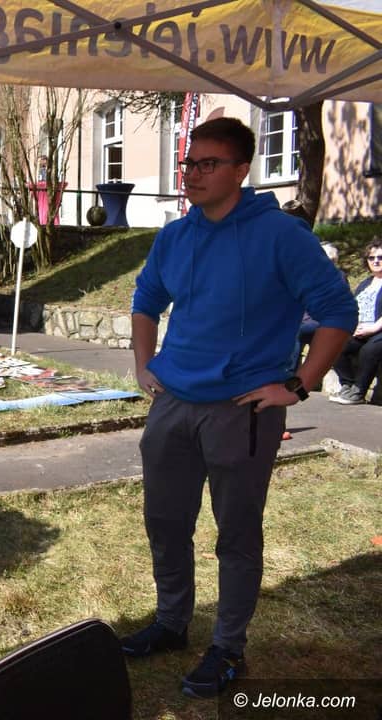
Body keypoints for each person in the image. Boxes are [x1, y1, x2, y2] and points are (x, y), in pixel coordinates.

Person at [123, 116, 356, 700]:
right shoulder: (176, 236)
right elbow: (146, 299)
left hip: (243, 408)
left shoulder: (280, 236)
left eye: (208, 164)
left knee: (237, 534)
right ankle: (171, 622)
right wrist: (144, 363)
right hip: (173, 403)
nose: (192, 174)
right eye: (189, 163)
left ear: (241, 170)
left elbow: (338, 312)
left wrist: (298, 386)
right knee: (165, 521)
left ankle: (228, 646)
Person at [329, 239, 382, 405]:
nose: (376, 261)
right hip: (360, 329)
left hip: (378, 330)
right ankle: (347, 385)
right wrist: (353, 325)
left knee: (370, 350)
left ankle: (359, 391)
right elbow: (354, 307)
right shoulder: (366, 283)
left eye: (380, 257)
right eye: (371, 257)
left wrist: (372, 328)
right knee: (335, 344)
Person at [289, 242, 343, 372]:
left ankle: (289, 372)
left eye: (330, 259)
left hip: (320, 322)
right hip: (302, 320)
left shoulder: (337, 278)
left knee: (295, 331)